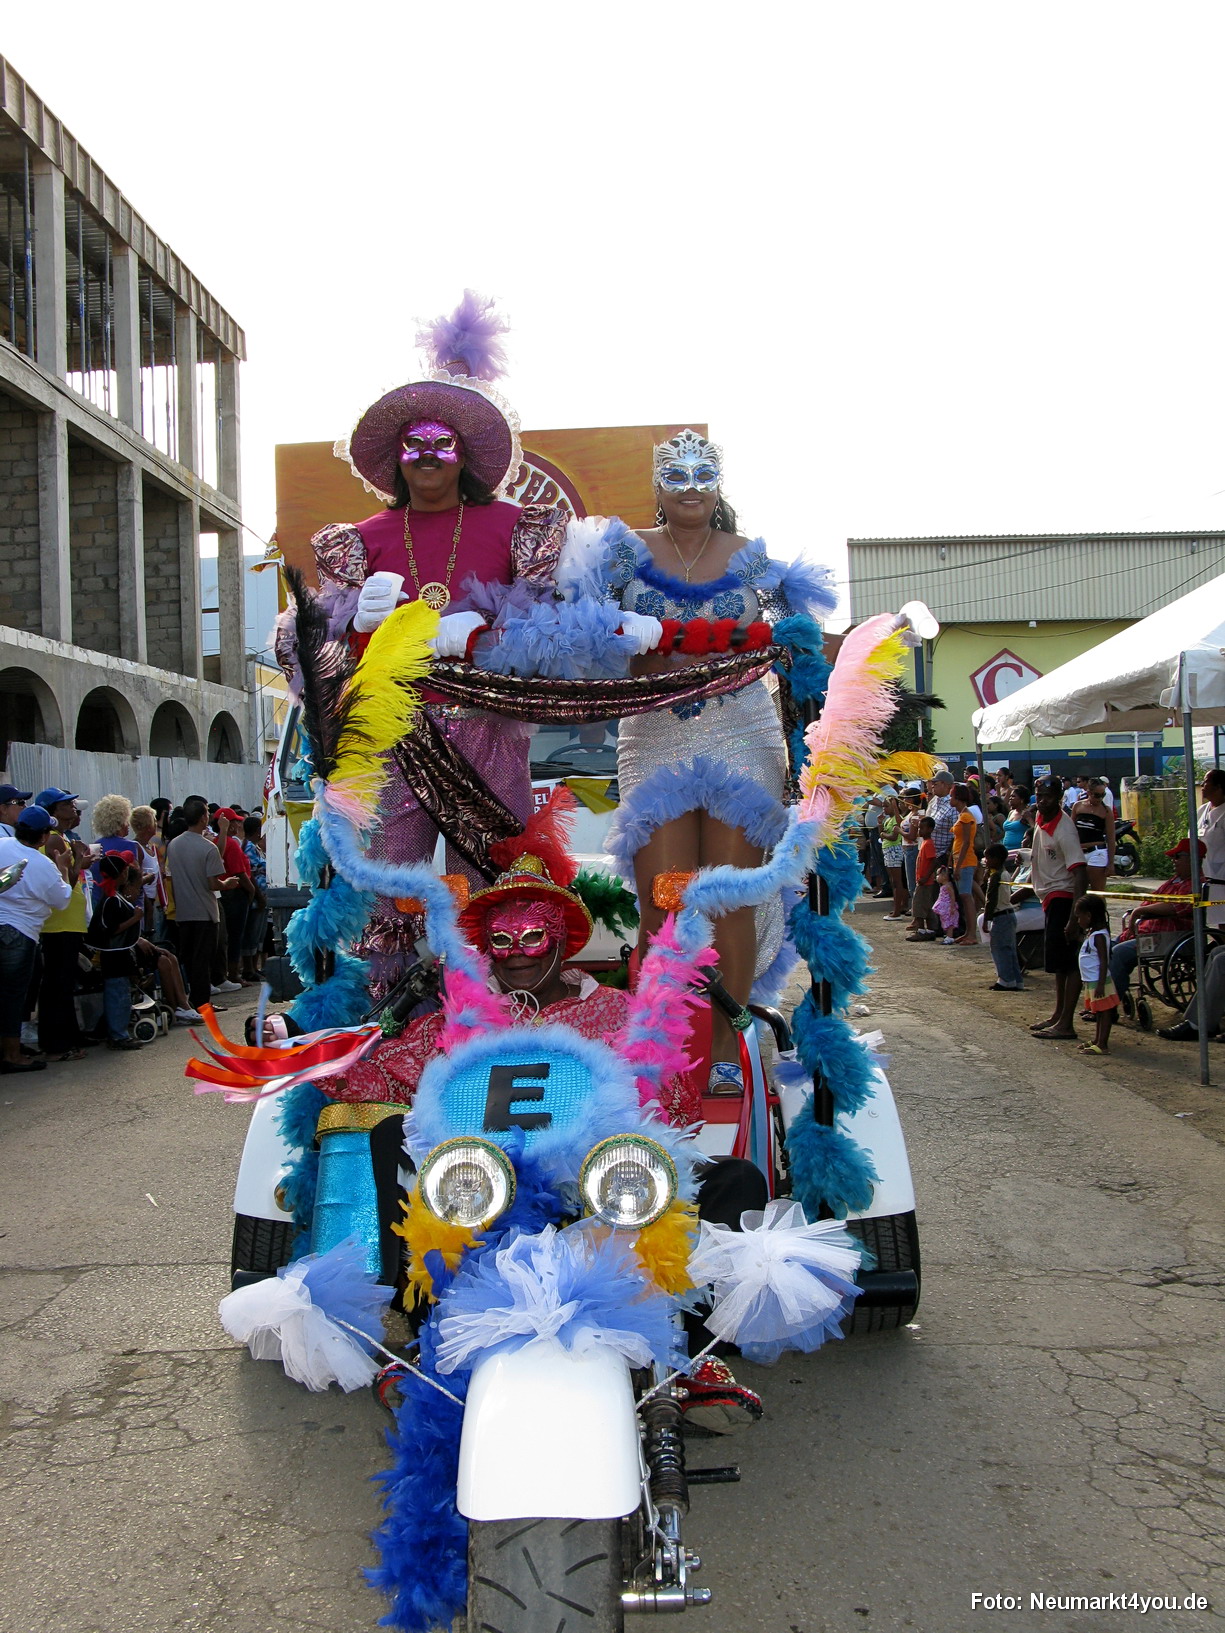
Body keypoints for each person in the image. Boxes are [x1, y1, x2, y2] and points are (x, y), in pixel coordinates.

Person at [326, 851, 766, 1429]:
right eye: (501, 942)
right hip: (483, 1196)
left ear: (562, 943)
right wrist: (313, 1056)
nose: (515, 955)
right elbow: (384, 1076)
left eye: (532, 937)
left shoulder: (616, 1012)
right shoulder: (464, 1018)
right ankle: (430, 1337)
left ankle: (693, 1356)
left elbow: (671, 1104)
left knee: (737, 1181)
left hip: (602, 1194)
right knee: (387, 1133)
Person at [285, 295, 602, 999]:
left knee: (494, 881)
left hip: (487, 731)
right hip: (391, 733)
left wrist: (481, 634)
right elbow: (311, 660)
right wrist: (356, 627)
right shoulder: (356, 541)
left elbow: (553, 632)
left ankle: (497, 1015)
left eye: (442, 443)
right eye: (414, 444)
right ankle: (384, 1028)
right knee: (382, 889)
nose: (427, 457)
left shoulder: (521, 526)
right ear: (394, 456)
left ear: (465, 454)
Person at [604, 428, 835, 1089]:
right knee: (662, 903)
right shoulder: (625, 553)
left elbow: (801, 630)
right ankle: (661, 1049)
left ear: (719, 482)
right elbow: (581, 625)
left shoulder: (752, 560)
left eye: (701, 473)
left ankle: (728, 1054)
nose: (689, 486)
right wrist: (621, 632)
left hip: (740, 731)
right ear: (657, 485)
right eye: (674, 475)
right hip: (653, 732)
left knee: (730, 900)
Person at [0, 807, 72, 1071]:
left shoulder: (2, 845)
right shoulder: (43, 864)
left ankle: (9, 1049)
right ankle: (11, 1054)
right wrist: (63, 867)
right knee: (13, 995)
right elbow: (62, 900)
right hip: (20, 932)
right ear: (43, 837)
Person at [1028, 776, 1089, 1041]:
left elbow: (1080, 872)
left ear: (1059, 798)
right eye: (1039, 796)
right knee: (1058, 965)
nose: (1042, 801)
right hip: (1049, 896)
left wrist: (1076, 915)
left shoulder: (1064, 829)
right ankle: (1058, 1014)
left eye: (1048, 797)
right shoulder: (1042, 821)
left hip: (1063, 896)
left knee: (1068, 962)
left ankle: (1066, 1022)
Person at [36, 788, 93, 1060]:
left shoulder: (61, 839)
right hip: (60, 923)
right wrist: (80, 858)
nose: (73, 809)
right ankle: (58, 1044)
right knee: (58, 985)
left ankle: (66, 1038)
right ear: (54, 811)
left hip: (66, 922)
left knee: (62, 984)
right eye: (67, 805)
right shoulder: (56, 841)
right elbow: (65, 883)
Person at [1110, 838, 1201, 1005]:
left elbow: (1177, 906)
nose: (1173, 861)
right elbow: (1151, 900)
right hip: (1147, 932)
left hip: (1170, 937)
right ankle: (1103, 1001)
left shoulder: (1196, 884)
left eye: (1177, 857)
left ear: (1192, 858)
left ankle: (1109, 1008)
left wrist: (1140, 911)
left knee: (1119, 953)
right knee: (1100, 947)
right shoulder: (1174, 881)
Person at [167, 797, 235, 1013]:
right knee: (203, 961)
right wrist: (228, 883)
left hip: (184, 911)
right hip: (205, 912)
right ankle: (202, 1003)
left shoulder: (174, 845)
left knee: (188, 959)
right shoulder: (207, 847)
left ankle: (189, 999)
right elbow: (213, 882)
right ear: (204, 817)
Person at [213, 809, 255, 987]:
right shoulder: (230, 844)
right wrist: (252, 891)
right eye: (234, 822)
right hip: (234, 893)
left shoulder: (220, 842)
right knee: (235, 934)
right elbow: (240, 872)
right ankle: (233, 973)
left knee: (229, 935)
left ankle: (230, 972)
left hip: (226, 893)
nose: (238, 825)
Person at [1074, 894, 1118, 1055]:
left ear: (1089, 916)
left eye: (1079, 917)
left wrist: (1100, 983)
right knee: (1098, 1012)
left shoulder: (1099, 936)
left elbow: (1103, 961)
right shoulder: (1093, 933)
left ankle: (1103, 1044)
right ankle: (1097, 1040)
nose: (1079, 921)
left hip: (1099, 981)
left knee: (1104, 1012)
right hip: (1092, 980)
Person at [982, 841, 1025, 991]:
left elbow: (991, 899)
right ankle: (1016, 980)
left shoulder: (996, 876)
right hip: (1009, 914)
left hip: (1001, 915)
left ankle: (1005, 979)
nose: (986, 862)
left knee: (1000, 948)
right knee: (1010, 949)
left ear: (996, 859)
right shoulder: (1005, 873)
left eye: (987, 858)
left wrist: (987, 919)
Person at [947, 783, 979, 945]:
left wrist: (957, 866)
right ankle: (969, 932)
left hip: (965, 861)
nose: (950, 799)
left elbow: (966, 843)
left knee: (966, 897)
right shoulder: (963, 815)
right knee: (966, 896)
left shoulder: (965, 817)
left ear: (958, 798)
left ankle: (972, 934)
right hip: (962, 860)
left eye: (952, 796)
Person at [130, 805, 168, 936]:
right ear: (147, 826)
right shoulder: (137, 847)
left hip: (153, 901)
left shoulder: (151, 848)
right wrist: (148, 906)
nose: (156, 824)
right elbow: (136, 878)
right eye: (153, 821)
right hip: (144, 903)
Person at [1070, 778, 1115, 891]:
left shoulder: (1106, 811)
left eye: (1102, 795)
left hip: (1097, 852)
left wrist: (1110, 863)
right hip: (1079, 852)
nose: (1100, 798)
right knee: (1079, 890)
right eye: (1097, 795)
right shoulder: (1078, 806)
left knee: (1097, 891)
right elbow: (1070, 830)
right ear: (1089, 793)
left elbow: (1111, 837)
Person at [240, 814, 269, 982]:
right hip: (256, 897)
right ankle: (249, 968)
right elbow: (250, 871)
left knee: (259, 933)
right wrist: (258, 895)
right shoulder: (249, 847)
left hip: (262, 895)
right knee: (251, 932)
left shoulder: (257, 847)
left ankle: (254, 967)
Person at [1198, 768, 1225, 930]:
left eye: (1206, 781)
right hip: (1203, 876)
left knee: (1223, 920)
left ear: (1219, 787)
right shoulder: (1202, 810)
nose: (1202, 785)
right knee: (1202, 921)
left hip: (1221, 877)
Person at [906, 816, 939, 941]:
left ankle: (921, 930)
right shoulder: (925, 843)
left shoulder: (929, 843)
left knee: (918, 906)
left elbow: (933, 861)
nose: (920, 831)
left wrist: (926, 877)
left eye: (922, 828)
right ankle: (930, 930)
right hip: (923, 880)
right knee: (927, 906)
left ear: (930, 829)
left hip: (925, 882)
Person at [879, 795, 909, 920]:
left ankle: (897, 910)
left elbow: (894, 837)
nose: (884, 809)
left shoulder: (898, 818)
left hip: (894, 850)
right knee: (893, 881)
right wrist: (879, 824)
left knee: (897, 882)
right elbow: (882, 835)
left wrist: (883, 834)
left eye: (887, 806)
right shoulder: (887, 820)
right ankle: (899, 907)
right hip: (887, 849)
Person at [899, 790, 925, 924]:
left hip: (912, 849)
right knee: (909, 882)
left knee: (913, 883)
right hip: (907, 849)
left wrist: (899, 831)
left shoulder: (918, 814)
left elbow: (912, 836)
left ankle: (917, 915)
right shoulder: (910, 813)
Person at [925, 771, 956, 863]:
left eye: (935, 783)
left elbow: (957, 835)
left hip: (944, 856)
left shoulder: (952, 805)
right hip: (931, 853)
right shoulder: (934, 802)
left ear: (945, 785)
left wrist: (948, 855)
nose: (932, 786)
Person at [1002, 789, 1034, 862]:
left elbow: (1034, 830)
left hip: (1019, 853)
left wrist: (1029, 818)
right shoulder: (1011, 812)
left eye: (1013, 796)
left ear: (1022, 799)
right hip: (1006, 852)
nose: (1010, 798)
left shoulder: (1028, 814)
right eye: (1010, 796)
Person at [932, 865, 960, 943]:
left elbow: (952, 896)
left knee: (949, 922)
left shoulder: (948, 886)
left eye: (938, 875)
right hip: (944, 906)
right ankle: (948, 935)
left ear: (944, 876)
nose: (937, 877)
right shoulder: (944, 886)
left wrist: (952, 906)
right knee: (945, 921)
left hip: (948, 906)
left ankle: (949, 936)